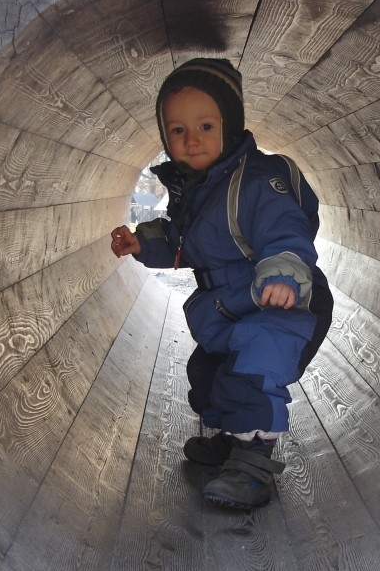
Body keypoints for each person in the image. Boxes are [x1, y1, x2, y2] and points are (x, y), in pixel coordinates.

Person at [111, 58, 333, 510]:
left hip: (279, 301)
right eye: (177, 131)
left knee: (252, 373)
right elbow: (184, 242)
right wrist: (142, 242)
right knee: (208, 376)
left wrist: (284, 273)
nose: (191, 141)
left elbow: (284, 229)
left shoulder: (255, 180)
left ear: (228, 126)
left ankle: (253, 466)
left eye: (205, 126)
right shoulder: (198, 190)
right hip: (230, 303)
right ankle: (233, 441)